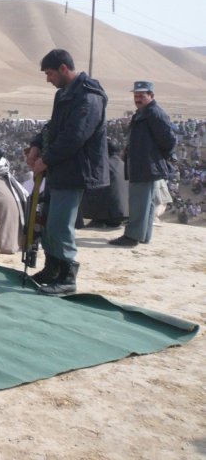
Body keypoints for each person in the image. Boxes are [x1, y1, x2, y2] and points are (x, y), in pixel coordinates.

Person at [26, 49, 108, 295]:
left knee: (61, 224)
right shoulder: (65, 95)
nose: (48, 79)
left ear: (63, 69)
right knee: (49, 221)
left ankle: (68, 276)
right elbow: (54, 126)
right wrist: (37, 143)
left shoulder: (88, 97)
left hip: (74, 170)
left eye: (50, 73)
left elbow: (75, 136)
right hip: (59, 168)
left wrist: (45, 160)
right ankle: (53, 269)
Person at [109, 81, 177, 246]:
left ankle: (132, 237)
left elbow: (169, 140)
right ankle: (143, 235)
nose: (138, 99)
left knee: (139, 202)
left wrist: (156, 156)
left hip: (146, 165)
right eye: (136, 96)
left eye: (142, 95)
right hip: (142, 164)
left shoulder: (154, 113)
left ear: (151, 96)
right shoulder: (144, 112)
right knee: (147, 202)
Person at [81, 140, 128, 228]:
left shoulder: (103, 164)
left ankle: (98, 219)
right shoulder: (124, 164)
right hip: (127, 213)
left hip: (109, 214)